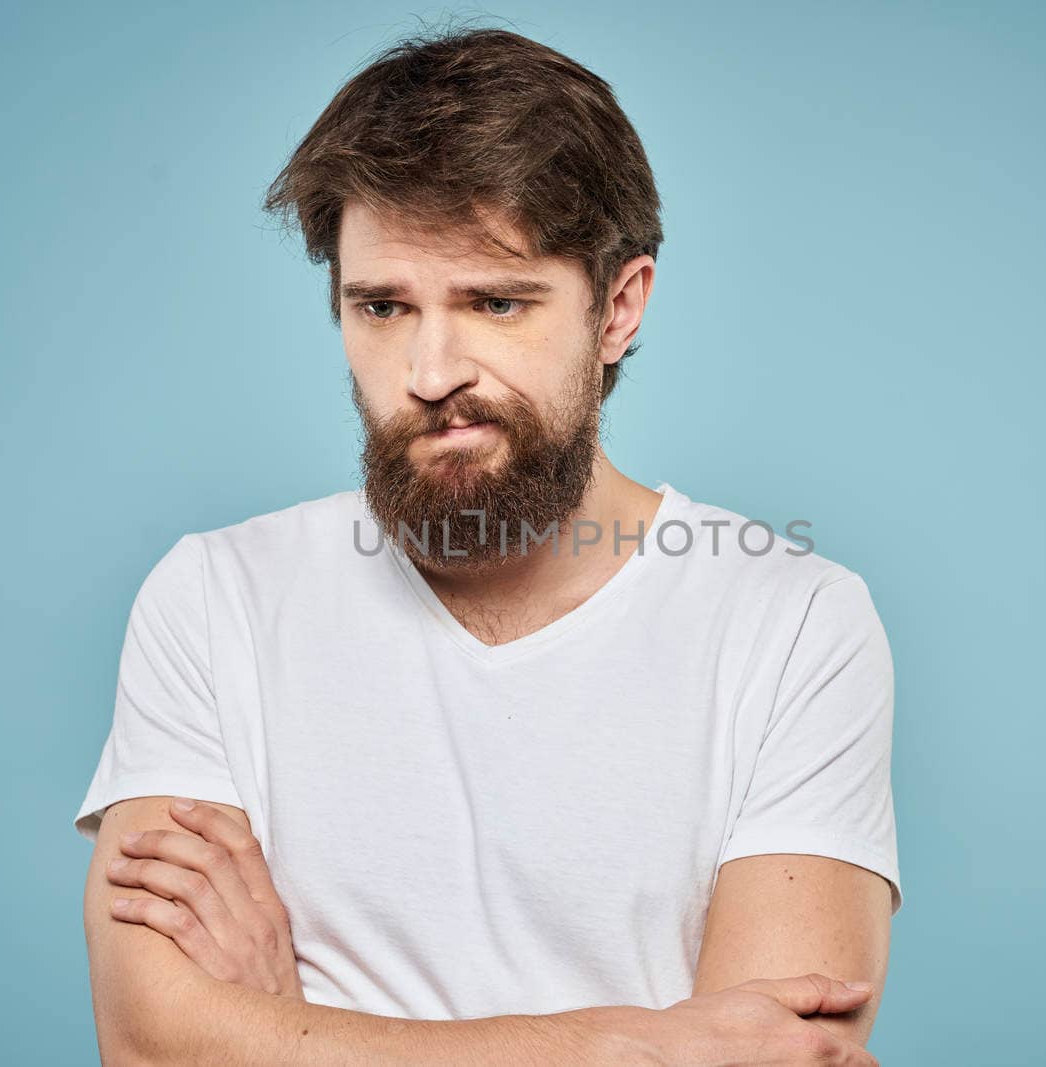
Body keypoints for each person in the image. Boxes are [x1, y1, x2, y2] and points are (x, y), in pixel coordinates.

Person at [74, 25, 900, 1066]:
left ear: (618, 307)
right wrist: (622, 1043)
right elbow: (152, 1046)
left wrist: (285, 1031)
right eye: (381, 306)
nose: (428, 370)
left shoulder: (791, 619)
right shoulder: (214, 599)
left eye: (495, 302)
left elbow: (774, 1055)